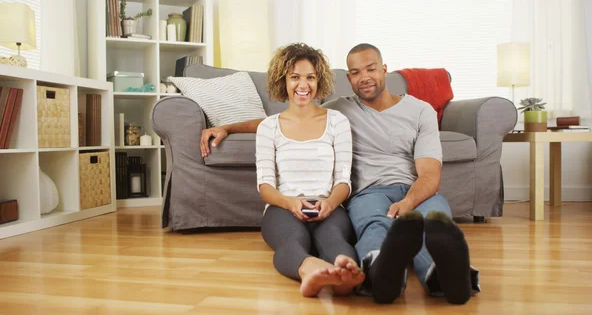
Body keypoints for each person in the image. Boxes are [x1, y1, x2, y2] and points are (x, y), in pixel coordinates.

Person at [199, 43, 480, 305]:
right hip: (366, 193)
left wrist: (404, 204)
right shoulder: (337, 110)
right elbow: (291, 120)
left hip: (405, 189)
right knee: (373, 225)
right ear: (348, 79)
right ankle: (374, 274)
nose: (365, 77)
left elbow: (429, 175)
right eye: (356, 72)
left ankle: (443, 275)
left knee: (431, 222)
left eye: (371, 69)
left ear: (385, 70)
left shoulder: (414, 111)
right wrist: (228, 127)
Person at [254, 42, 365, 297]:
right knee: (293, 240)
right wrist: (290, 202)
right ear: (283, 81)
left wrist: (330, 203)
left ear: (319, 81)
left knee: (335, 239)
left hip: (328, 205)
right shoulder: (268, 127)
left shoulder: (337, 122)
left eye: (310, 78)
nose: (303, 85)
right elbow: (265, 187)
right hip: (283, 208)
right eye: (295, 77)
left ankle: (346, 274)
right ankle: (310, 270)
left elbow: (343, 181)